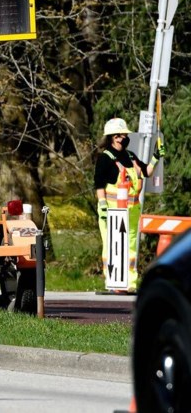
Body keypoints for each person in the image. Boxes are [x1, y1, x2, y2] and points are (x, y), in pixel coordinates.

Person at [94, 117, 163, 293]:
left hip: (131, 212)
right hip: (111, 212)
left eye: (124, 135)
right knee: (112, 246)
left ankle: (129, 283)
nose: (123, 138)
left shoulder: (130, 156)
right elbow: (99, 184)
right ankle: (113, 282)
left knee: (130, 247)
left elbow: (146, 172)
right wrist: (102, 206)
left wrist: (156, 157)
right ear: (112, 137)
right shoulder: (105, 158)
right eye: (119, 135)